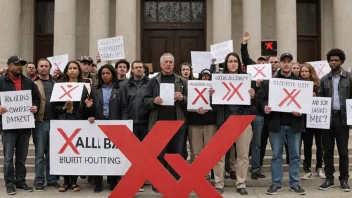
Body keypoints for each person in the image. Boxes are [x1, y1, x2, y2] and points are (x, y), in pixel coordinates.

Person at [210, 52, 255, 195]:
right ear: (226, 64)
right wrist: (212, 96)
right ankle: (218, 183)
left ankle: (241, 183)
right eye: (230, 61)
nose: (233, 63)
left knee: (242, 155)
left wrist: (252, 96)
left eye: (235, 61)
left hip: (242, 120)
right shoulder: (218, 80)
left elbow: (254, 105)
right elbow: (214, 107)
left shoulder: (247, 80)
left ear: (239, 63)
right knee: (220, 155)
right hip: (224, 120)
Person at [143, 53, 188, 193]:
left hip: (176, 123)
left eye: (170, 62)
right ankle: (158, 182)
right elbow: (144, 100)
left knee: (176, 154)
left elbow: (190, 101)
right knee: (159, 155)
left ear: (174, 65)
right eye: (166, 62)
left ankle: (174, 181)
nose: (168, 64)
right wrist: (153, 102)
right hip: (158, 124)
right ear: (161, 64)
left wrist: (182, 98)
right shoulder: (153, 81)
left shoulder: (181, 81)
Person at [264, 53, 306, 195]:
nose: (286, 64)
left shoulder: (300, 82)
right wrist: (266, 107)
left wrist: (301, 111)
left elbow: (305, 104)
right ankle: (276, 183)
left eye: (289, 61)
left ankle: (295, 183)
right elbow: (261, 99)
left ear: (292, 63)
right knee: (276, 155)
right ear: (280, 64)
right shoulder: (271, 81)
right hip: (277, 124)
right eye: (283, 61)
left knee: (294, 156)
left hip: (294, 125)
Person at [0, 56, 41, 195]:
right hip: (8, 126)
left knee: (22, 157)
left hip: (24, 125)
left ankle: (21, 181)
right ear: (9, 65)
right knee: (8, 157)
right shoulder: (1, 82)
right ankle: (9, 183)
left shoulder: (29, 83)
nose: (19, 67)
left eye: (21, 65)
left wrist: (35, 106)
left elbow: (36, 99)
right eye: (16, 64)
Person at [52, 61, 94, 193]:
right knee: (64, 152)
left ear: (78, 71)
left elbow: (86, 108)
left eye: (75, 68)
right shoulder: (59, 86)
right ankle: (65, 182)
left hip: (78, 121)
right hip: (63, 121)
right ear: (66, 71)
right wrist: (64, 108)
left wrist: (89, 107)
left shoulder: (83, 87)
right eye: (70, 68)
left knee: (76, 152)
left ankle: (74, 182)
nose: (72, 70)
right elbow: (53, 107)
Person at [188, 69, 225, 194]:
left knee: (214, 154)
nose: (205, 78)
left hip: (211, 124)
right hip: (194, 124)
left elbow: (221, 106)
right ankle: (200, 179)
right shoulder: (192, 87)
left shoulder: (216, 89)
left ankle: (219, 182)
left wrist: (215, 95)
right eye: (203, 76)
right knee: (196, 154)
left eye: (208, 76)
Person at [318, 48, 350, 192]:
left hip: (342, 118)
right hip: (327, 118)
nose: (333, 62)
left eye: (336, 60)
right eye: (331, 60)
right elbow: (320, 99)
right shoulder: (324, 79)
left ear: (341, 61)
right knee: (327, 150)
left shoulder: (349, 78)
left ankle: (344, 179)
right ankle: (329, 178)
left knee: (343, 151)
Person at [88, 64, 123, 193]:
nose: (105, 75)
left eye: (108, 73)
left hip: (115, 124)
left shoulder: (119, 89)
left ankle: (113, 182)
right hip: (99, 125)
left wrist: (123, 123)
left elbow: (123, 107)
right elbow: (89, 107)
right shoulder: (95, 89)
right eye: (103, 73)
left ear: (112, 74)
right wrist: (89, 111)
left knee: (113, 155)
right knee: (99, 155)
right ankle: (98, 183)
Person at [120, 60, 150, 192]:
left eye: (141, 67)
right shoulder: (125, 85)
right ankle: (135, 180)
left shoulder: (151, 83)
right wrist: (125, 123)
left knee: (145, 154)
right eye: (136, 67)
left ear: (144, 69)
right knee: (133, 154)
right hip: (131, 123)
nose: (139, 69)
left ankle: (143, 177)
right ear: (131, 70)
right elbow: (123, 106)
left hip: (146, 123)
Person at [33, 58, 60, 191]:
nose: (44, 68)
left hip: (55, 122)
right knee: (39, 154)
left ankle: (51, 179)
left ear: (49, 68)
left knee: (52, 153)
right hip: (40, 122)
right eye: (41, 66)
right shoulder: (32, 84)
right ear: (37, 68)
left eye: (46, 66)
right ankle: (39, 180)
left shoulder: (56, 83)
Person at [299, 63, 326, 180]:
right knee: (307, 145)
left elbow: (325, 100)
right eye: (302, 71)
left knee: (320, 145)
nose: (304, 73)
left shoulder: (318, 85)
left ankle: (319, 167)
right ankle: (307, 169)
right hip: (305, 119)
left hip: (317, 118)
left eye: (306, 71)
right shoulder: (298, 84)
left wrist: (316, 96)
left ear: (311, 72)